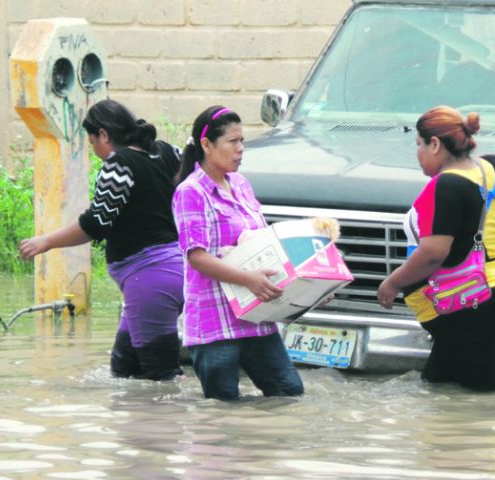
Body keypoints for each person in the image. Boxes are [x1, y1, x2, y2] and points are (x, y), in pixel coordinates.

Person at [18, 99, 185, 381]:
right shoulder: (167, 152)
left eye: (92, 141)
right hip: (171, 272)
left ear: (104, 135)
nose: (94, 149)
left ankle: (189, 421)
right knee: (124, 370)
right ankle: (130, 423)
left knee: (164, 379)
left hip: (149, 277)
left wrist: (46, 241)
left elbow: (96, 222)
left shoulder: (118, 164)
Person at [377, 105, 495, 391]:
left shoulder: (446, 185)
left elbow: (433, 254)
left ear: (436, 144)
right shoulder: (491, 168)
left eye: (419, 144)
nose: (417, 153)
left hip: (464, 306)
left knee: (486, 400)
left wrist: (392, 283)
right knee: (439, 388)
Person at [171, 105, 304, 401]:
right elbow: (197, 256)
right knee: (223, 411)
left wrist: (306, 281)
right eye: (233, 142)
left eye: (242, 141)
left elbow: (263, 242)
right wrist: (248, 280)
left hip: (255, 317)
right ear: (206, 145)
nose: (241, 149)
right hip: (214, 323)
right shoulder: (191, 192)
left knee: (289, 395)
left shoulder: (241, 185)